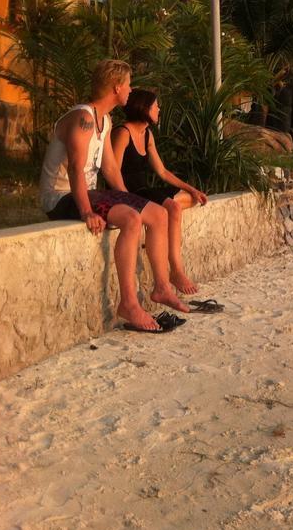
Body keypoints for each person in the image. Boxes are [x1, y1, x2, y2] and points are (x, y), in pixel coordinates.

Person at [39, 60, 188, 332]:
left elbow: (109, 167)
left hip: (88, 192)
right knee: (131, 219)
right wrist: (86, 211)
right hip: (61, 197)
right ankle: (128, 303)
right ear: (116, 87)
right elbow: (75, 167)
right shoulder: (83, 118)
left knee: (156, 213)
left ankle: (162, 287)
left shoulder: (104, 121)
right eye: (128, 84)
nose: (131, 90)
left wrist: (133, 200)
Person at [111, 89, 209, 296]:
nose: (159, 109)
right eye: (156, 106)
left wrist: (192, 188)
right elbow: (112, 171)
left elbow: (162, 171)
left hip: (146, 189)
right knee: (173, 207)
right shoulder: (123, 133)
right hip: (130, 192)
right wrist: (124, 199)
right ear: (144, 108)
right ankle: (176, 270)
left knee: (190, 198)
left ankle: (164, 247)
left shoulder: (146, 133)